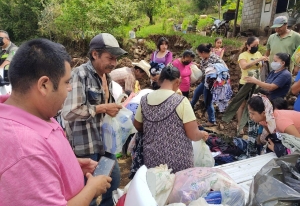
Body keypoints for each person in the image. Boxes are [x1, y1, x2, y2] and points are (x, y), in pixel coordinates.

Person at [0, 38, 112, 205]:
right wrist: (92, 189)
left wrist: (69, 166)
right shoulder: (25, 149)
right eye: (66, 82)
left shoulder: (38, 113)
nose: (70, 88)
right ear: (44, 85)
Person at [62, 33, 127, 206]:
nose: (113, 63)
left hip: (104, 142)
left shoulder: (108, 77)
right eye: (110, 58)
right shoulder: (80, 74)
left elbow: (106, 108)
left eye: (115, 59)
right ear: (95, 54)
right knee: (87, 193)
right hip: (85, 146)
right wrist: (102, 108)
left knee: (112, 181)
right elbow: (69, 112)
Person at [133, 66, 209, 173]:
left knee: (157, 188)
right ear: (178, 82)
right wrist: (202, 134)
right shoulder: (181, 101)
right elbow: (193, 135)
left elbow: (137, 125)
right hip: (178, 161)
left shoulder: (144, 99)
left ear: (159, 80)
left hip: (152, 160)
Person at [235, 36, 268, 133]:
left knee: (253, 104)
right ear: (248, 46)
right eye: (254, 45)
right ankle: (240, 125)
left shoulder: (258, 53)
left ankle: (251, 122)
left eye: (258, 45)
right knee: (242, 105)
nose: (256, 47)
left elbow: (260, 68)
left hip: (256, 83)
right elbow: (244, 66)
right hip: (245, 83)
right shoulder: (243, 55)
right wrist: (258, 60)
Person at [190, 43, 226, 127]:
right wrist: (197, 65)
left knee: (208, 101)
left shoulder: (215, 58)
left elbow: (224, 68)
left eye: (199, 53)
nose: (199, 55)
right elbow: (204, 68)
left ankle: (212, 120)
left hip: (211, 84)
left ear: (202, 52)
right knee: (196, 93)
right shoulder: (204, 59)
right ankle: (189, 109)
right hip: (205, 81)